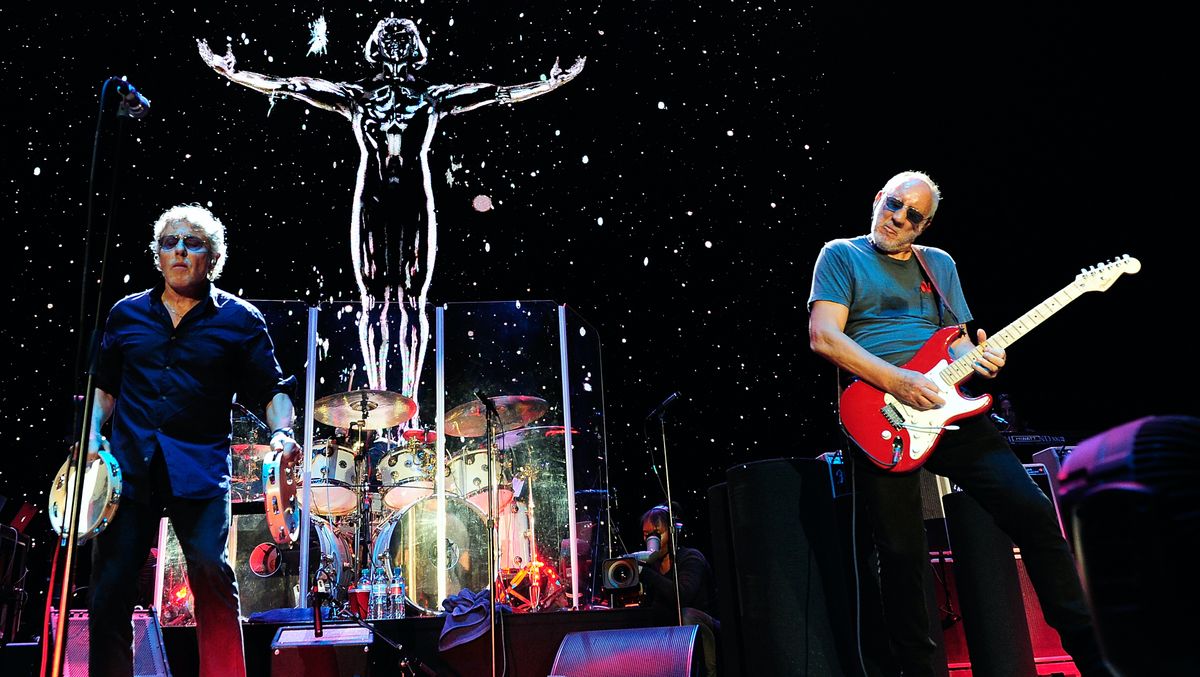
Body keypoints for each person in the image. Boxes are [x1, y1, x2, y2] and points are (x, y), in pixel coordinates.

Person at [807, 171, 1110, 676]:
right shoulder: (841, 254)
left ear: (923, 227)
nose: (898, 218)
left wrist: (982, 356)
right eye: (894, 204)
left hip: (950, 408)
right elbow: (824, 337)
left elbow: (957, 341)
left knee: (1032, 514)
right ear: (878, 198)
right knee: (902, 558)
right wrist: (899, 382)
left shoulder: (939, 265)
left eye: (913, 216)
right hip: (882, 412)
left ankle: (1094, 657)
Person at [197, 18, 585, 410]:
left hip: (416, 197)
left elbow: (496, 93)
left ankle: (411, 400)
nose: (396, 48)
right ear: (377, 49)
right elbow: (292, 87)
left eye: (403, 40)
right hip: (372, 199)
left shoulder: (432, 98)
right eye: (390, 40)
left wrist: (549, 84)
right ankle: (381, 394)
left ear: (414, 48)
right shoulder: (357, 98)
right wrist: (235, 73)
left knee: (413, 299)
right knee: (372, 300)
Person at [84, 204, 299, 677]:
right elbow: (105, 388)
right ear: (158, 255)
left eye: (193, 242)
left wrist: (282, 432)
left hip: (198, 469)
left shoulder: (240, 320)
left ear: (214, 258)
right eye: (170, 242)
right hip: (128, 471)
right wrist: (94, 436)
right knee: (109, 588)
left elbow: (273, 390)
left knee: (212, 577)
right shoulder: (126, 314)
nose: (179, 250)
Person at [635, 505, 720, 677]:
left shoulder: (691, 558)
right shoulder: (654, 566)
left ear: (673, 533)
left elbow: (683, 596)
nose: (651, 539)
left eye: (657, 533)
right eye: (646, 534)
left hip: (705, 628)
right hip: (673, 636)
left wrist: (647, 574)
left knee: (686, 614)